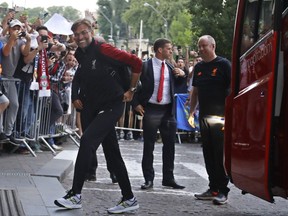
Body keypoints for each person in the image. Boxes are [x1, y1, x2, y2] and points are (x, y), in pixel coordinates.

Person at [54, 18, 142, 214]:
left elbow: (136, 62)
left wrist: (132, 90)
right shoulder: (79, 52)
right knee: (113, 153)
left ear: (91, 31)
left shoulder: (104, 49)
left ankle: (75, 195)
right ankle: (129, 198)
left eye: (84, 32)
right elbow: (80, 76)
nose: (81, 37)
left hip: (112, 105)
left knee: (87, 141)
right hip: (95, 107)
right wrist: (76, 96)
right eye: (77, 34)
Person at [132, 38, 185, 190]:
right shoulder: (146, 66)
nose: (171, 51)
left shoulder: (170, 66)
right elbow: (134, 84)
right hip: (152, 109)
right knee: (149, 145)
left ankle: (169, 178)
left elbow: (179, 86)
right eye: (169, 48)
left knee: (170, 146)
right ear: (160, 50)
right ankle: (148, 178)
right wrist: (135, 103)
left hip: (168, 110)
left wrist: (182, 74)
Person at [188, 35, 231, 205]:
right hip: (204, 117)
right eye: (199, 46)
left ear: (213, 46)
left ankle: (223, 190)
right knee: (208, 153)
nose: (201, 49)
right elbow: (195, 91)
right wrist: (191, 112)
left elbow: (233, 87)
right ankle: (213, 187)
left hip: (220, 117)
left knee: (219, 153)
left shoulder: (223, 65)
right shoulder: (198, 67)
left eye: (204, 46)